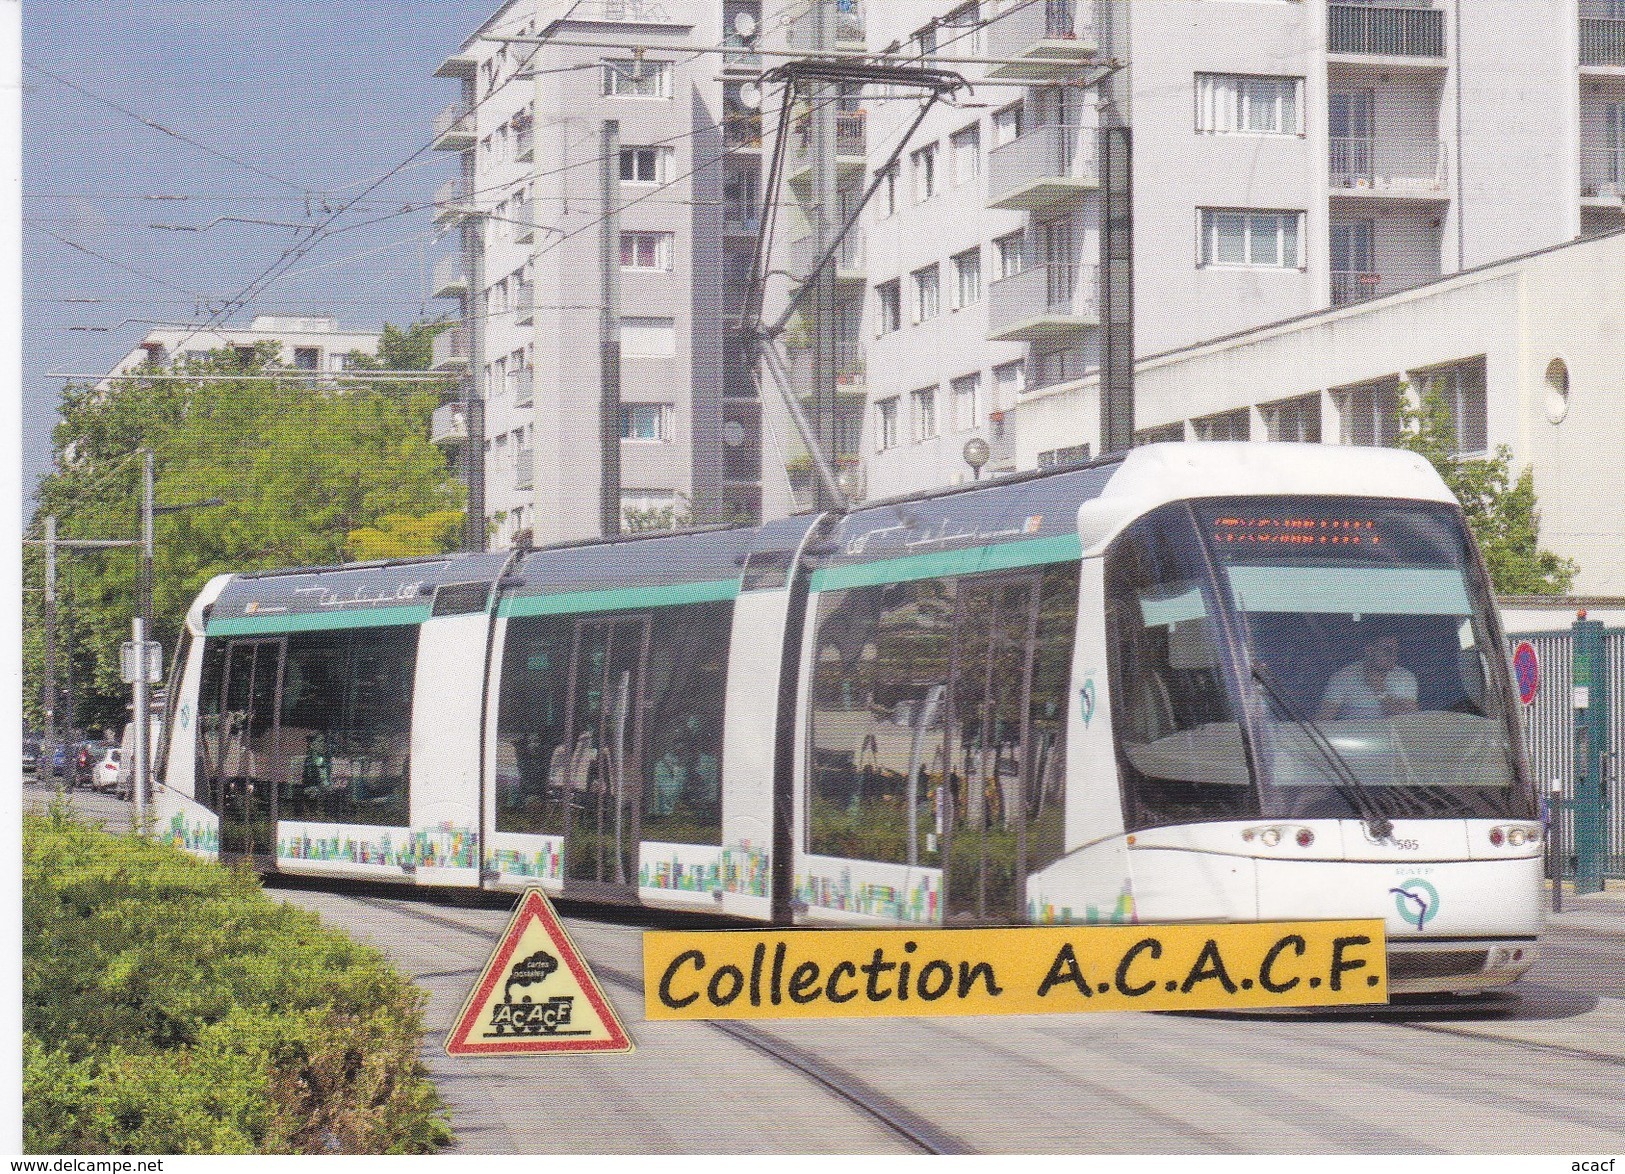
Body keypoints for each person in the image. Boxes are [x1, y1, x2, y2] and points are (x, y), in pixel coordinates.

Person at [1316, 634, 1418, 720]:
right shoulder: (1343, 677)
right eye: (1387, 651)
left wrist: (1380, 690)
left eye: (1396, 652)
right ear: (1369, 650)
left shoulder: (1405, 677)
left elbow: (1409, 721)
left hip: (1391, 741)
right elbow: (1323, 720)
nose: (1393, 656)